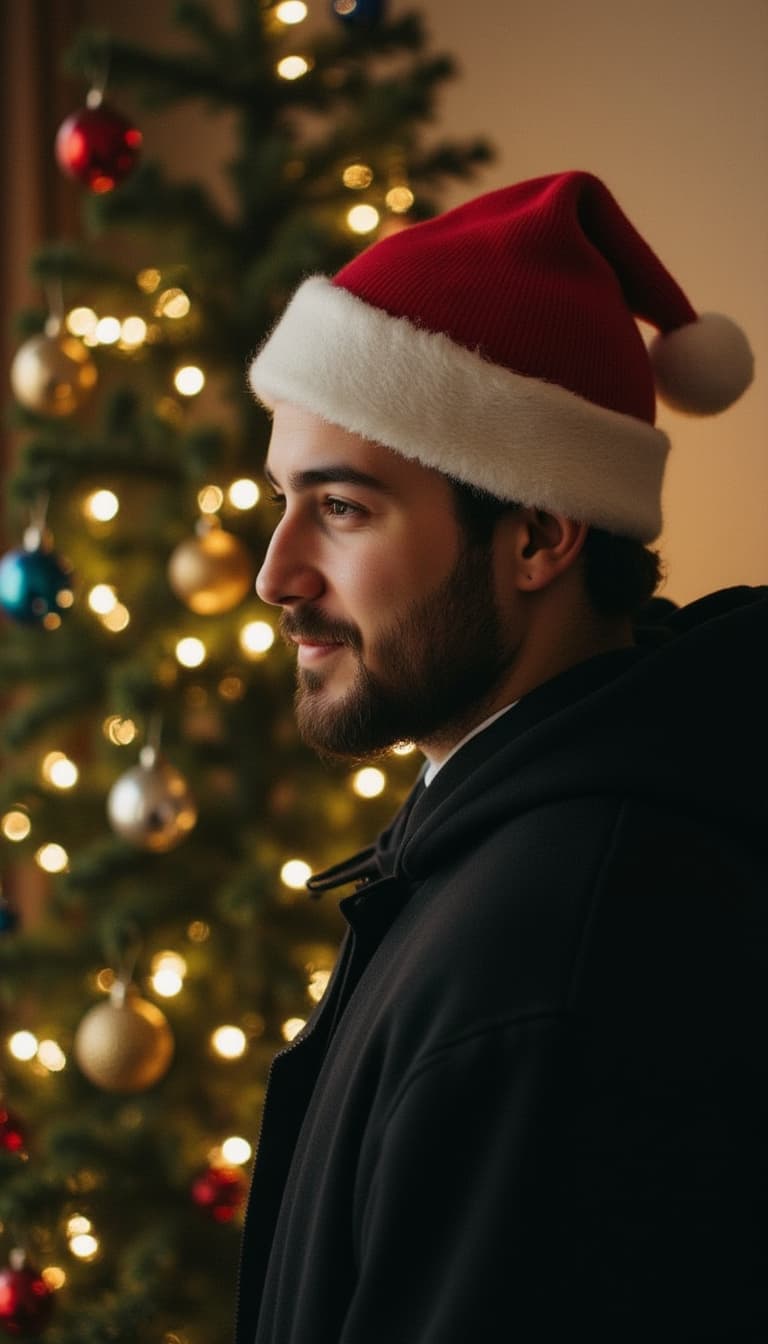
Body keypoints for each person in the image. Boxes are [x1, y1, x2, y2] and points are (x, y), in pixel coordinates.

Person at [234, 171, 766, 1343]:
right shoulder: (486, 853)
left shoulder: (563, 952)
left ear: (536, 534)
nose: (274, 574)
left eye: (344, 508)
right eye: (283, 499)